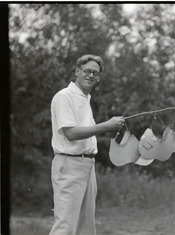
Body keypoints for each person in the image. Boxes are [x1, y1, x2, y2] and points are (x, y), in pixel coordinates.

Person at [49, 54, 124, 235]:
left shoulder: (85, 98)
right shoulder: (64, 96)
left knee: (86, 228)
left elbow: (86, 135)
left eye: (95, 73)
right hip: (69, 164)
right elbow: (71, 133)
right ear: (77, 71)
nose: (91, 76)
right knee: (65, 227)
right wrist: (106, 126)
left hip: (87, 165)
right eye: (87, 71)